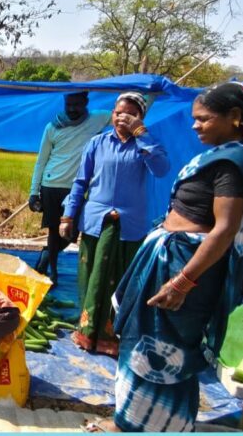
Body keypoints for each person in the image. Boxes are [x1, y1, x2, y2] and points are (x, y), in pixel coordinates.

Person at [88, 82, 243, 433]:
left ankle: (148, 426)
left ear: (234, 117)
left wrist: (183, 281)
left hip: (185, 267)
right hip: (171, 259)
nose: (195, 125)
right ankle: (139, 421)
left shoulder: (232, 164)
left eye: (204, 119)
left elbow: (224, 229)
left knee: (163, 348)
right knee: (148, 340)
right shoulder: (221, 156)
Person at [59, 92, 170, 357]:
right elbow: (80, 182)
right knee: (92, 279)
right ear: (112, 114)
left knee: (120, 281)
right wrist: (68, 216)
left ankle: (111, 337)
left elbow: (161, 169)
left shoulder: (145, 145)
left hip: (129, 226)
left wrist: (141, 134)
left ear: (140, 118)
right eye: (119, 112)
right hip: (96, 222)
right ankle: (86, 333)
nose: (122, 117)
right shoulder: (97, 143)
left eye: (130, 114)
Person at [28, 92, 111, 285]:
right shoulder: (53, 127)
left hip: (76, 188)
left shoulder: (98, 119)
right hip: (51, 185)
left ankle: (47, 255)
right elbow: (41, 161)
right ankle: (52, 273)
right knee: (53, 231)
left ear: (86, 103)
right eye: (69, 105)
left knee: (71, 234)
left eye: (77, 105)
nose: (72, 109)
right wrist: (33, 192)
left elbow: (128, 114)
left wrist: (150, 93)